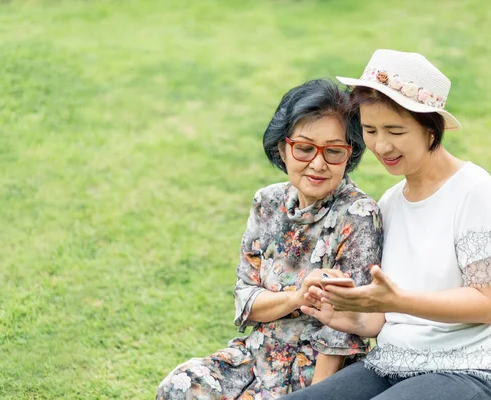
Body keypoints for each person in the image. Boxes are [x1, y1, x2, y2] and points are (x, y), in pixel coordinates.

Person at [283, 50, 491, 400]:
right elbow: (386, 319)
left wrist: (399, 300)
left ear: (430, 129)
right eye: (370, 130)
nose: (382, 145)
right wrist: (348, 313)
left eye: (395, 130)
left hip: (473, 371)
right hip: (391, 364)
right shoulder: (391, 202)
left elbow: (488, 304)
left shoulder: (475, 191)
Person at [156, 79, 383, 400]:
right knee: (180, 385)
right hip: (258, 355)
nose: (318, 164)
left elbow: (342, 330)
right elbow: (247, 298)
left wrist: (314, 398)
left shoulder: (359, 213)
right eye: (305, 148)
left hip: (322, 370)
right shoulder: (267, 202)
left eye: (333, 152)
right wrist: (297, 297)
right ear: (283, 148)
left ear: (349, 155)